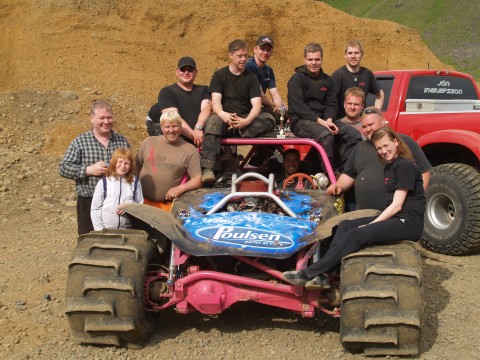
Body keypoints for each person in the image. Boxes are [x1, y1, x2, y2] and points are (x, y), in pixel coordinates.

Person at [282, 126, 425, 288]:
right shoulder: (390, 167)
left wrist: (371, 224)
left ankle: (309, 273)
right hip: (396, 218)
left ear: (396, 142)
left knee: (358, 233)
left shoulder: (404, 166)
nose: (384, 151)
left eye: (386, 146)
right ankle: (327, 274)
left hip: (408, 222)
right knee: (345, 225)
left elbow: (397, 205)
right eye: (379, 148)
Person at [327, 107, 431, 211]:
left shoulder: (403, 141)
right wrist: (338, 186)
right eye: (364, 126)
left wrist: (417, 200)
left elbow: (424, 172)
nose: (368, 129)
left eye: (371, 125)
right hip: (363, 214)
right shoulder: (359, 148)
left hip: (396, 214)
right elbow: (349, 174)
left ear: (382, 119)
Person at [200, 39, 276, 183]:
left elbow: (256, 105)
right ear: (230, 55)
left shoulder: (251, 78)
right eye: (239, 56)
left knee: (269, 119)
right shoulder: (220, 75)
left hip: (245, 121)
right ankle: (208, 168)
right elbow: (215, 102)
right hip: (224, 118)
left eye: (245, 56)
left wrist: (245, 121)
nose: (243, 59)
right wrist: (223, 115)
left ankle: (241, 132)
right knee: (212, 121)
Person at [287, 42, 362, 172]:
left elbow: (332, 104)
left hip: (324, 121)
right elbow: (298, 106)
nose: (313, 63)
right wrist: (321, 122)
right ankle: (330, 176)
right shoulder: (297, 79)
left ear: (322, 59)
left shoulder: (328, 80)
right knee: (327, 136)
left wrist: (328, 120)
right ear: (305, 59)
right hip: (300, 120)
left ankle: (347, 172)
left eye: (317, 59)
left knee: (353, 134)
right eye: (310, 60)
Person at [59, 99, 130, 235]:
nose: (106, 121)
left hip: (117, 202)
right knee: (89, 239)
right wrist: (88, 170)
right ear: (92, 119)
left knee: (116, 240)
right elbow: (63, 168)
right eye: (101, 118)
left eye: (109, 117)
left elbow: (131, 170)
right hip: (88, 200)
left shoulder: (122, 141)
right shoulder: (80, 142)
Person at [136, 110, 202, 202]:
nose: (171, 130)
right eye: (167, 126)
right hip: (140, 201)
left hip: (168, 206)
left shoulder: (190, 151)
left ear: (180, 127)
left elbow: (197, 180)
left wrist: (180, 188)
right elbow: (136, 167)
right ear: (161, 127)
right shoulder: (148, 142)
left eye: (175, 126)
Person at [146, 56, 212, 147]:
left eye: (190, 70)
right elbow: (174, 119)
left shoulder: (204, 90)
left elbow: (206, 109)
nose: (186, 72)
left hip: (195, 130)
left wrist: (198, 128)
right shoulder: (167, 92)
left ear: (196, 72)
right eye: (182, 69)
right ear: (177, 72)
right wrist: (195, 137)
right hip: (160, 126)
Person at [90, 148, 143, 231]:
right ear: (114, 162)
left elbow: (140, 204)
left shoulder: (135, 182)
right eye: (120, 162)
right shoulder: (104, 182)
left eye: (127, 163)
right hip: (106, 230)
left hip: (128, 230)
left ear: (131, 165)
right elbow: (95, 208)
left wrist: (129, 206)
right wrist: (99, 230)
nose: (123, 166)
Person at [331, 40, 384, 119]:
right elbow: (330, 101)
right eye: (350, 53)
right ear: (345, 55)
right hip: (341, 122)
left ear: (361, 55)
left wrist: (376, 113)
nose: (353, 56)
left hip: (361, 122)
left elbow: (380, 94)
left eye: (356, 53)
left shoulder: (367, 74)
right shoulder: (338, 75)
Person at [245, 35, 286, 114]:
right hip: (244, 108)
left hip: (255, 107)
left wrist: (281, 108)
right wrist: (275, 106)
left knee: (284, 113)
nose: (265, 53)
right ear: (255, 49)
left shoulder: (268, 70)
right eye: (262, 49)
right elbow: (261, 96)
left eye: (268, 50)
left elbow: (275, 95)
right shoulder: (249, 66)